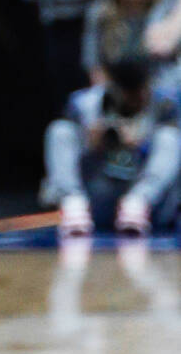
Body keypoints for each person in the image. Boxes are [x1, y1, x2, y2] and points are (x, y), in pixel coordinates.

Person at [45, 56, 181, 239]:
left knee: (170, 137)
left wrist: (141, 144)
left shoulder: (165, 104)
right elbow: (65, 150)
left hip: (145, 202)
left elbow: (170, 156)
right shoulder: (84, 104)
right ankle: (73, 203)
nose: (135, 99)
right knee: (59, 130)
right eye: (128, 93)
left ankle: (138, 202)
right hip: (97, 191)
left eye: (139, 92)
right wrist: (91, 143)